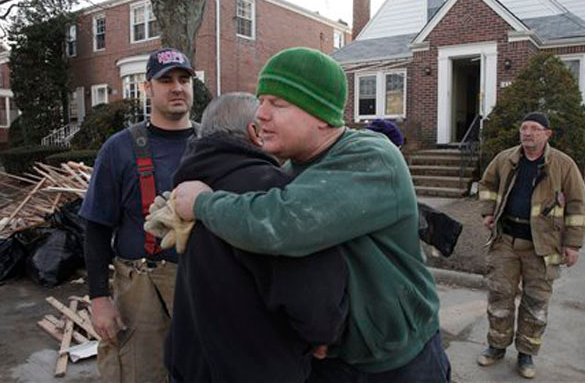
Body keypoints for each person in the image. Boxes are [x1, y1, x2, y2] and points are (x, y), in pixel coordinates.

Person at [172, 47, 450, 382]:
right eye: (262, 101)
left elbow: (282, 224)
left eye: (278, 103)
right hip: (331, 362)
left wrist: (204, 203)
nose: (260, 114)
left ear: (320, 114)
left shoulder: (371, 157)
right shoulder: (291, 169)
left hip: (399, 362)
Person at [159, 92, 348, 382]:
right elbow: (311, 287)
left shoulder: (187, 190)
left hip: (189, 366)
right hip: (257, 369)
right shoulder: (272, 192)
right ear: (254, 132)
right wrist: (323, 334)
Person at [79, 47, 199, 382]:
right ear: (148, 88)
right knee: (138, 372)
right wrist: (100, 299)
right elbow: (97, 229)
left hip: (204, 282)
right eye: (166, 80)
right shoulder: (119, 149)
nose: (177, 87)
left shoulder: (213, 142)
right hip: (141, 287)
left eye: (184, 79)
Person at [476, 112, 585, 379]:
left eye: (534, 129)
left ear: (547, 134)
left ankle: (526, 354)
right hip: (505, 241)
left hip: (542, 247)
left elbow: (578, 205)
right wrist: (487, 211)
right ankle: (496, 346)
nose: (527, 132)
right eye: (524, 127)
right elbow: (487, 183)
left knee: (536, 302)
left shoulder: (564, 165)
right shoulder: (505, 159)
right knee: (499, 296)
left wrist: (573, 244)